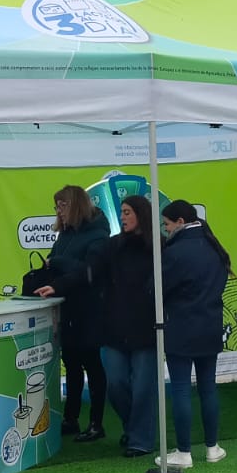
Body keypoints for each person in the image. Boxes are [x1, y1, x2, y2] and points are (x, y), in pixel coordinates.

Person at [41, 193, 157, 455]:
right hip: (115, 327)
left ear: (141, 215)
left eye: (127, 212)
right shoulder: (113, 245)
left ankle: (140, 440)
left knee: (142, 388)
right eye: (122, 212)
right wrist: (58, 285)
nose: (123, 217)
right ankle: (132, 427)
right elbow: (88, 271)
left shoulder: (158, 247)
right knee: (116, 385)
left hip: (146, 328)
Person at [160, 199, 229, 468]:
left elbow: (158, 289)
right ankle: (212, 447)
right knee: (208, 387)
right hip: (210, 325)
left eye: (167, 224)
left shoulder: (174, 252)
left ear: (180, 222)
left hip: (180, 326)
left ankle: (184, 452)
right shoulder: (215, 247)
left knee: (181, 388)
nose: (166, 230)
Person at [44, 185, 110, 442]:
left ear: (76, 205)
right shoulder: (66, 234)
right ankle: (71, 418)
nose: (59, 211)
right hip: (68, 308)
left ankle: (96, 423)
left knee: (92, 364)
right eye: (57, 206)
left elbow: (90, 271)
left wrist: (57, 265)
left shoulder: (98, 234)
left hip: (90, 309)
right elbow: (58, 260)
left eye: (63, 206)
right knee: (71, 362)